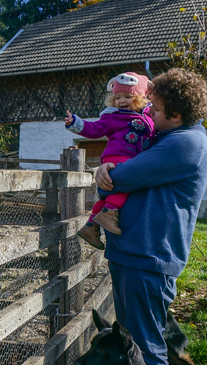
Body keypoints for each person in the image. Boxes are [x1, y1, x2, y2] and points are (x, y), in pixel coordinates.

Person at [92, 68, 207, 365]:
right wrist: (106, 169)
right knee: (140, 345)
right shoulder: (172, 137)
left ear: (176, 114)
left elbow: (121, 179)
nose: (149, 114)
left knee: (148, 349)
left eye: (156, 109)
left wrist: (106, 172)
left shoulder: (184, 143)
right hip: (138, 253)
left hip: (148, 257)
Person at [64, 72, 155, 250]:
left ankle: (91, 226)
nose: (122, 101)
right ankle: (110, 214)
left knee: (110, 194)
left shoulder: (147, 117)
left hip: (130, 157)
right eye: (118, 97)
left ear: (140, 98)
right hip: (118, 155)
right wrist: (75, 123)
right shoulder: (114, 117)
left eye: (128, 97)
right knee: (129, 182)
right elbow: (95, 128)